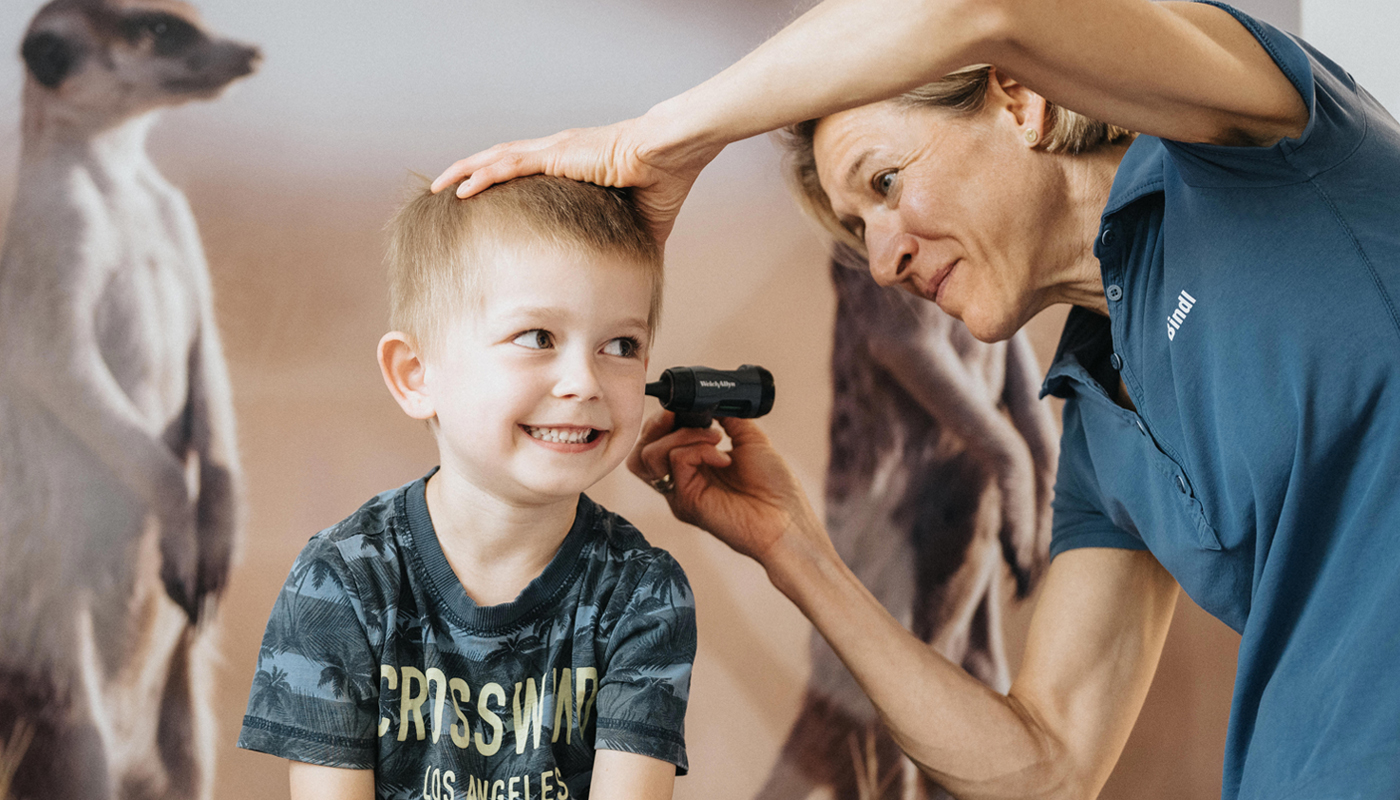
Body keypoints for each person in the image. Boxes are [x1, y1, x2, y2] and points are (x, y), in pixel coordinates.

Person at [431, 1, 1400, 798]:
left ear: (1017, 96)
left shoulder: (1262, 146)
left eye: (886, 181)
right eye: (860, 227)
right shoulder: (1098, 425)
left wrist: (663, 140)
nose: (886, 255)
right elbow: (1045, 765)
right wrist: (791, 547)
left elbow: (983, 9)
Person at [237, 175, 695, 800]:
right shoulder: (339, 582)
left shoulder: (642, 594)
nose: (584, 382)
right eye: (537, 337)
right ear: (415, 375)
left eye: (621, 344)